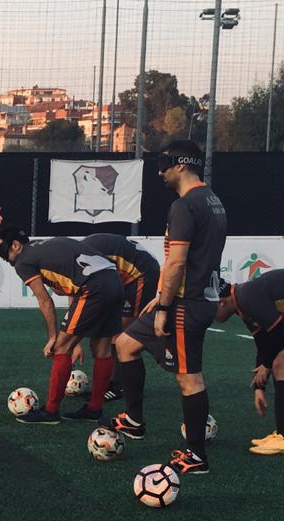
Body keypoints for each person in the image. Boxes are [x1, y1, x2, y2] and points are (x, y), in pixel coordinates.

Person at [99, 140, 227, 475]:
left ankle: (196, 456)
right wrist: (159, 296)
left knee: (189, 380)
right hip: (187, 297)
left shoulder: (186, 205)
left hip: (186, 303)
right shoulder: (213, 201)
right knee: (125, 344)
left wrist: (164, 307)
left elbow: (177, 263)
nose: (160, 172)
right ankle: (134, 420)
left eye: (164, 164)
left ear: (181, 164)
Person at [0, 227, 124, 424]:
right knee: (101, 348)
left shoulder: (23, 261)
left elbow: (44, 300)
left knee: (61, 347)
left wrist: (53, 337)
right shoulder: (41, 245)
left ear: (16, 245)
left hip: (94, 286)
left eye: (3, 252)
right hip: (114, 281)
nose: (4, 258)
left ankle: (51, 411)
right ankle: (94, 408)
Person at [214, 270, 284, 455]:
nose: (210, 316)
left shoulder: (246, 298)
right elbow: (264, 343)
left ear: (222, 302)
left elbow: (280, 335)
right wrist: (259, 387)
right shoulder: (242, 300)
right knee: (280, 362)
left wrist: (266, 364)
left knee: (283, 364)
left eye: (210, 308)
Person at [79, 233, 161, 400]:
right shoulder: (79, 255)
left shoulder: (82, 259)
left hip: (141, 273)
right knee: (112, 330)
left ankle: (118, 385)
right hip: (129, 273)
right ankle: (111, 382)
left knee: (121, 333)